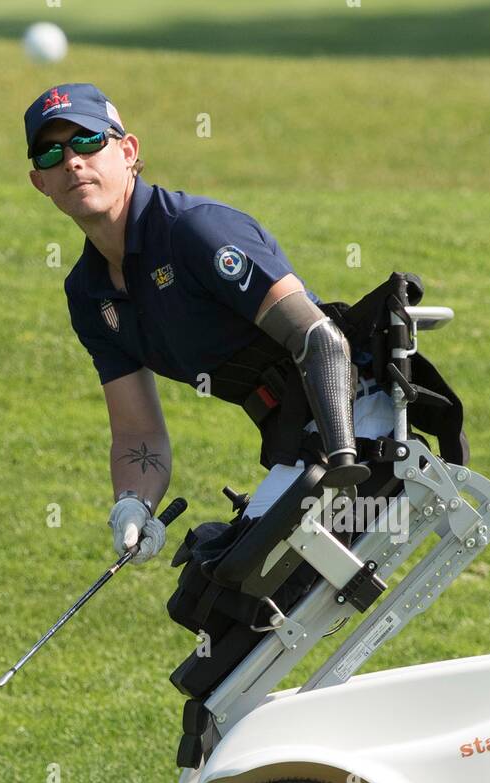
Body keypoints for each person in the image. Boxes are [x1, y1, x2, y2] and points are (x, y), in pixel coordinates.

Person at [23, 83, 396, 567]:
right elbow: (139, 434)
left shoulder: (193, 230)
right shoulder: (88, 295)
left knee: (238, 584)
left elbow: (318, 338)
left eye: (90, 141)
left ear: (128, 151)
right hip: (299, 443)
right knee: (212, 587)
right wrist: (133, 504)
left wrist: (342, 459)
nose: (73, 161)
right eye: (53, 152)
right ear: (40, 182)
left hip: (361, 417)